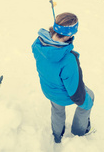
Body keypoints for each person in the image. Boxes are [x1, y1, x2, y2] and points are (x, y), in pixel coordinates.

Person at [31, 12, 94, 143]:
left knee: (57, 110)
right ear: (69, 35)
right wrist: (87, 104)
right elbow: (76, 93)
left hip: (49, 90)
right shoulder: (68, 60)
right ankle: (79, 132)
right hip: (62, 94)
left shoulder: (38, 44)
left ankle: (56, 135)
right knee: (89, 97)